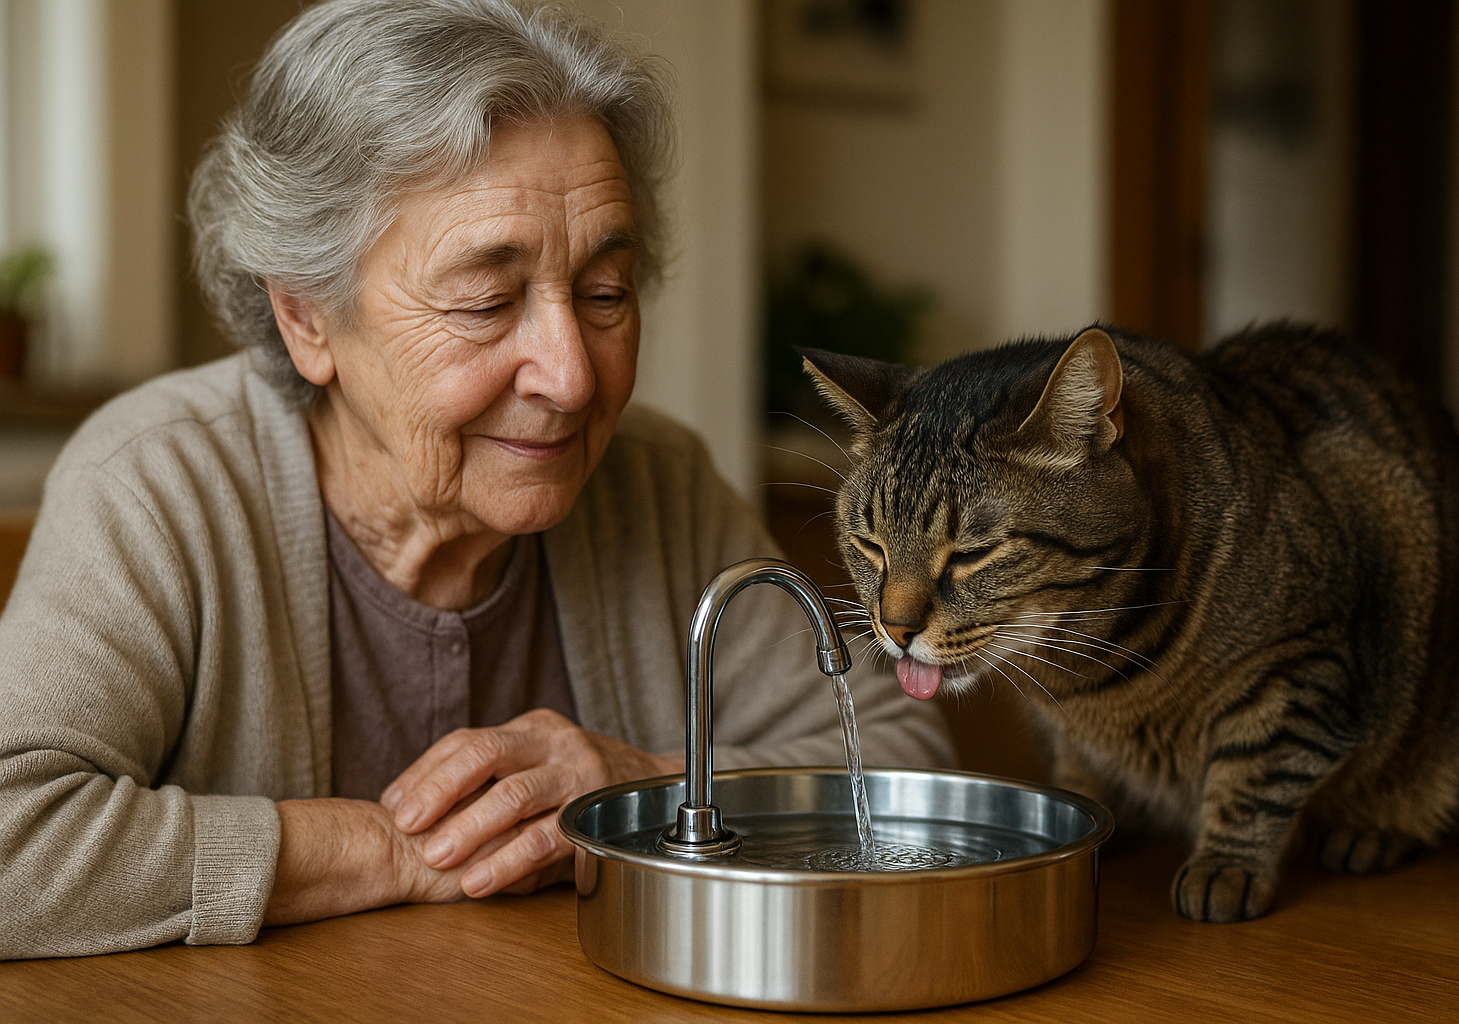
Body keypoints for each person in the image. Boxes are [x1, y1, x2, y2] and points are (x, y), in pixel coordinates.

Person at [0, 0, 952, 960]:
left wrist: (636, 788)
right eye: (487, 301)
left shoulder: (657, 481)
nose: (572, 377)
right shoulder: (159, 482)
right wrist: (391, 850)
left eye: (605, 293)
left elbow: (898, 762)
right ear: (307, 317)